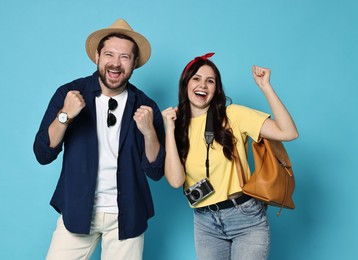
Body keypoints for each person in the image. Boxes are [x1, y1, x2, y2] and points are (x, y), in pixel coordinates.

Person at [33, 18, 165, 260]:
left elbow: (156, 171)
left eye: (124, 57)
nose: (115, 63)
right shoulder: (69, 93)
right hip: (77, 208)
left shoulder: (146, 106)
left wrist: (149, 132)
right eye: (109, 54)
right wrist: (65, 115)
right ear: (97, 56)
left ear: (134, 63)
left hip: (128, 214)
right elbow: (43, 153)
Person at [162, 53, 298, 260]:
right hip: (204, 221)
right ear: (185, 84)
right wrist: (169, 129)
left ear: (216, 89)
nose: (203, 85)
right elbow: (175, 181)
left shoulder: (232, 115)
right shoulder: (177, 125)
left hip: (244, 218)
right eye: (196, 79)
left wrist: (266, 87)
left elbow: (288, 132)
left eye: (210, 81)